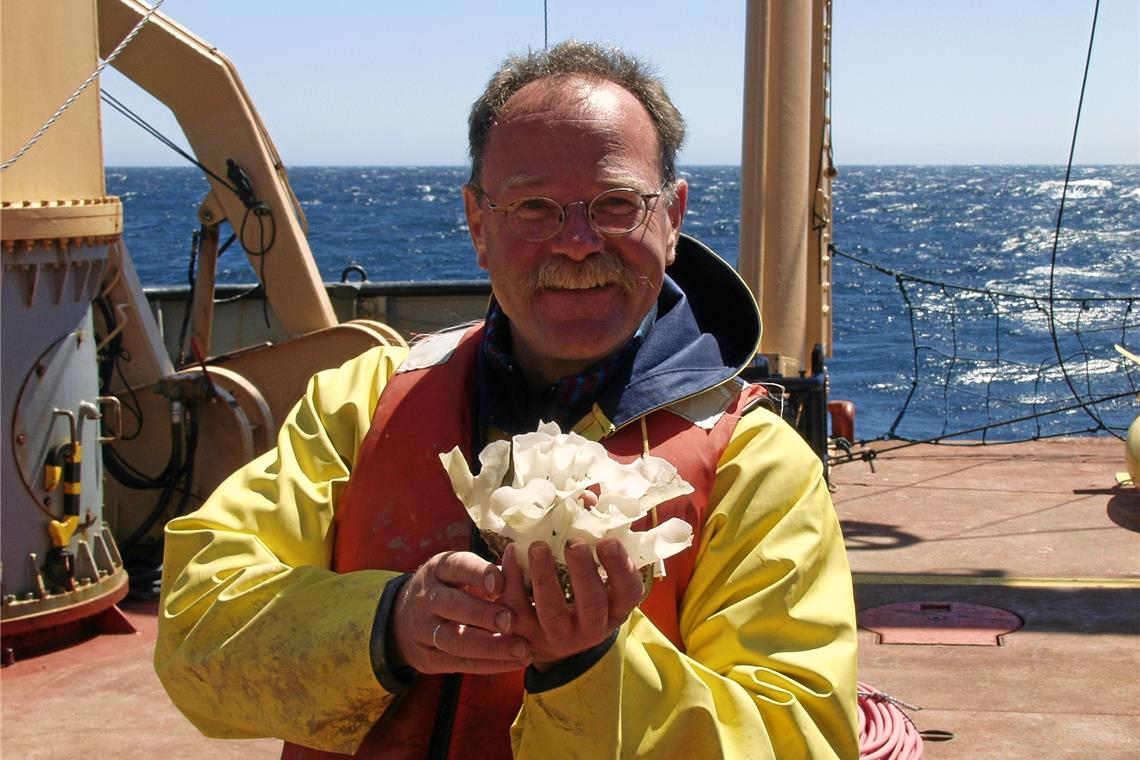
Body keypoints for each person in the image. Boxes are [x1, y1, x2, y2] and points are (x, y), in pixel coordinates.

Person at [155, 40, 859, 759]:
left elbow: (799, 736)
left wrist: (594, 662)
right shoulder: (359, 405)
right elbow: (195, 627)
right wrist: (389, 622)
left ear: (672, 217)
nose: (578, 243)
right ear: (477, 225)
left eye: (616, 205)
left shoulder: (756, 465)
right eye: (534, 208)